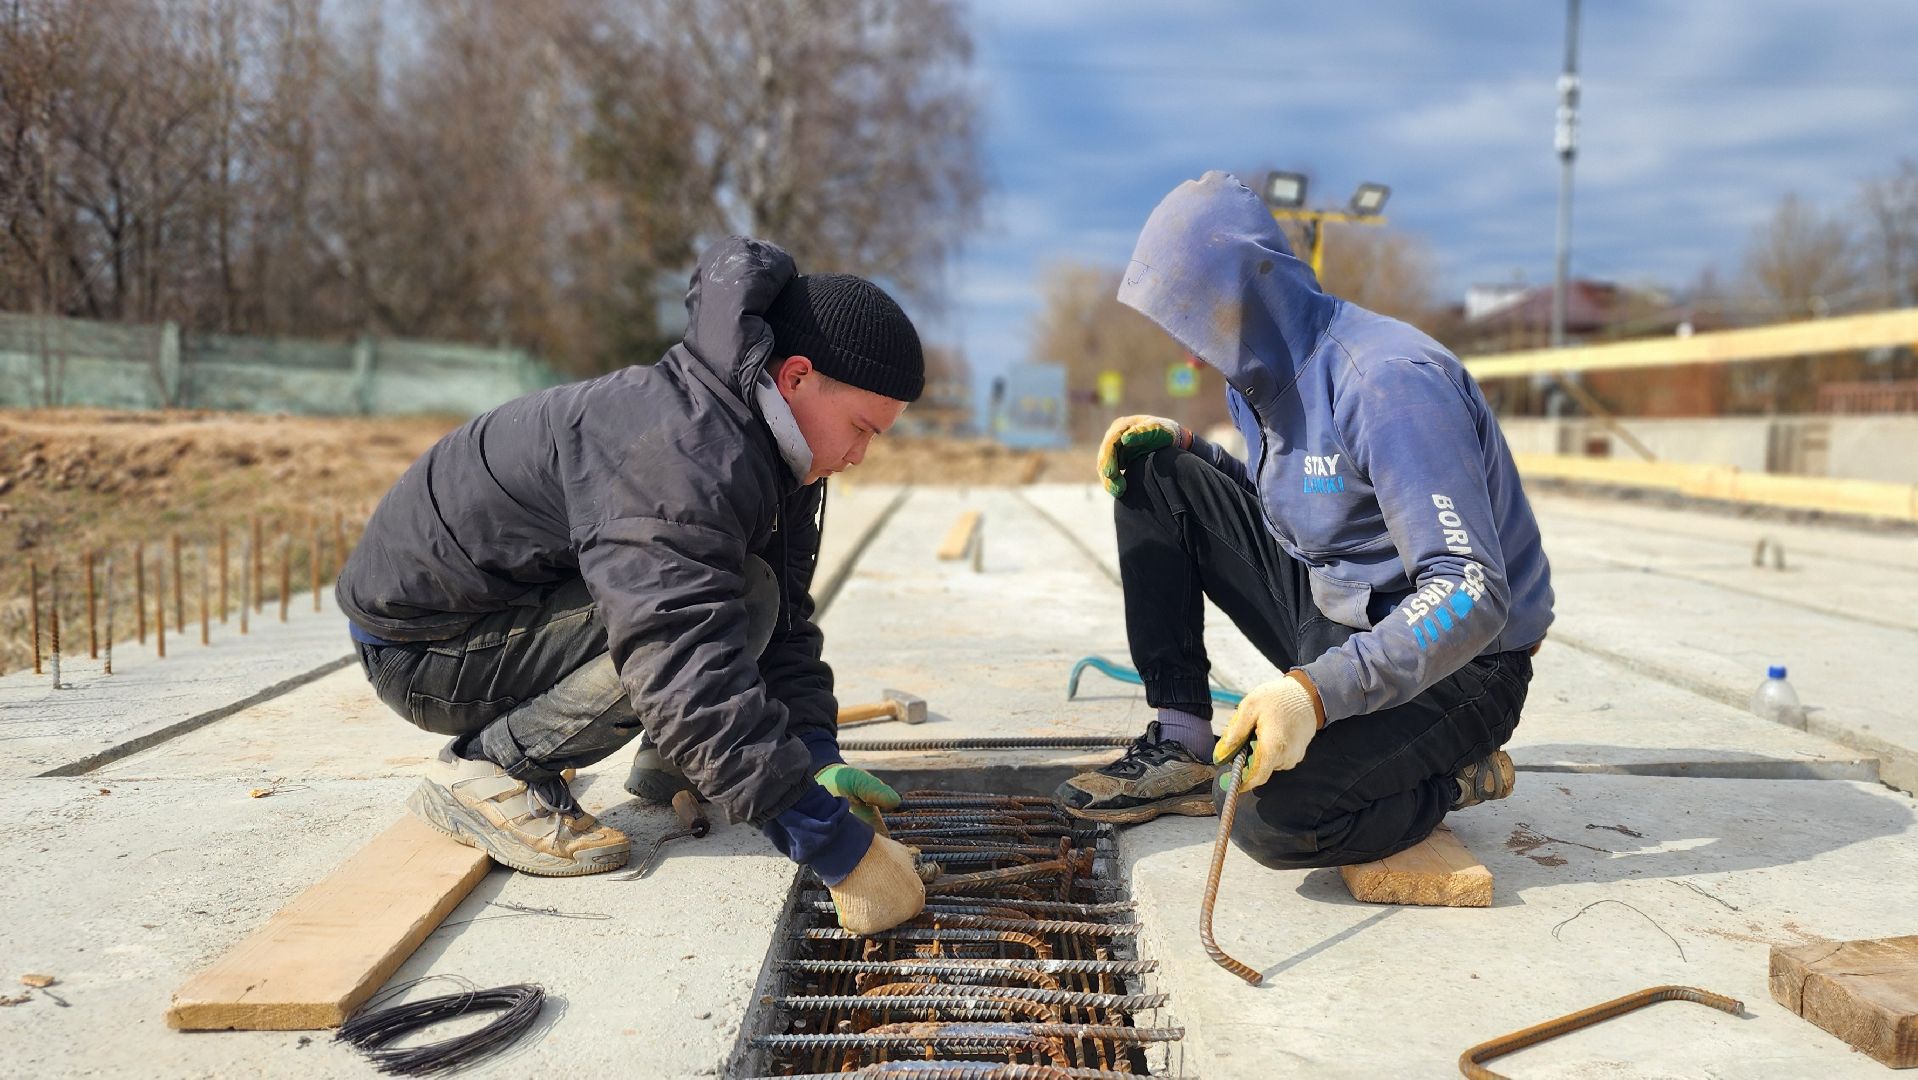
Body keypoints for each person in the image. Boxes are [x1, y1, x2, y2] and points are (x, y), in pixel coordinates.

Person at [338, 237, 927, 932]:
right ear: (797, 377)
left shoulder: (770, 447)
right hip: (424, 648)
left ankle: (676, 758)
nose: (859, 456)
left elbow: (787, 624)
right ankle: (490, 770)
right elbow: (677, 658)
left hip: (505, 612)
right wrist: (834, 848)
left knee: (752, 594)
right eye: (860, 428)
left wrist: (816, 760)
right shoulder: (684, 455)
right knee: (710, 613)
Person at [1054, 172, 1554, 871]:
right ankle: (1181, 741)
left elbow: (1469, 590)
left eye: (1193, 319)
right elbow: (1304, 522)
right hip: (1344, 613)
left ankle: (1455, 777)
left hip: (1464, 661)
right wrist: (1191, 452)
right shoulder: (1257, 381)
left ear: (1246, 295)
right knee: (1156, 471)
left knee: (1275, 820)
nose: (1189, 351)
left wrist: (1314, 695)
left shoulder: (1388, 383)